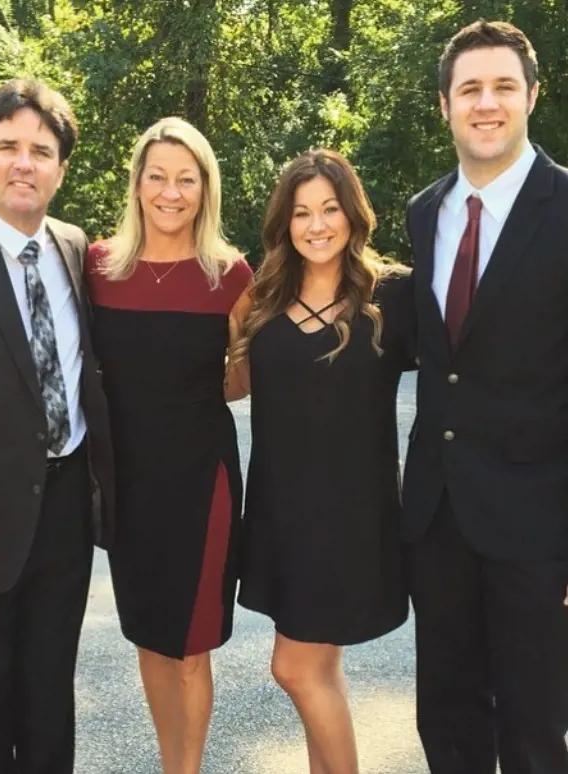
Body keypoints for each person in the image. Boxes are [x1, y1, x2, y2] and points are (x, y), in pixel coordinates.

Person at [402, 20, 568, 774]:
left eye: (504, 86)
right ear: (445, 106)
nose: (487, 103)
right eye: (470, 88)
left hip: (538, 525)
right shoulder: (423, 213)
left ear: (534, 95)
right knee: (447, 718)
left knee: (534, 731)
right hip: (439, 521)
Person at [0, 77, 116, 774]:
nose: (25, 162)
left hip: (67, 507)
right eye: (8, 146)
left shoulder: (77, 250)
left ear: (60, 168)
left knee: (50, 697)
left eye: (41, 151)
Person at [230, 149, 413, 773]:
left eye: (329, 209)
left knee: (295, 667)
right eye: (302, 212)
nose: (316, 225)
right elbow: (228, 384)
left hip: (351, 518)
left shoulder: (393, 295)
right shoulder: (264, 295)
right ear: (285, 221)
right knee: (320, 668)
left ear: (352, 213)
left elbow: (462, 375)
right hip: (283, 514)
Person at [85, 116, 250, 774]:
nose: (171, 191)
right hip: (130, 486)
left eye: (187, 178)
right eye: (158, 176)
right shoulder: (98, 268)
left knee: (191, 647)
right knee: (150, 640)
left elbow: (243, 380)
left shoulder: (230, 275)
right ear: (137, 183)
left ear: (204, 188)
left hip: (201, 483)